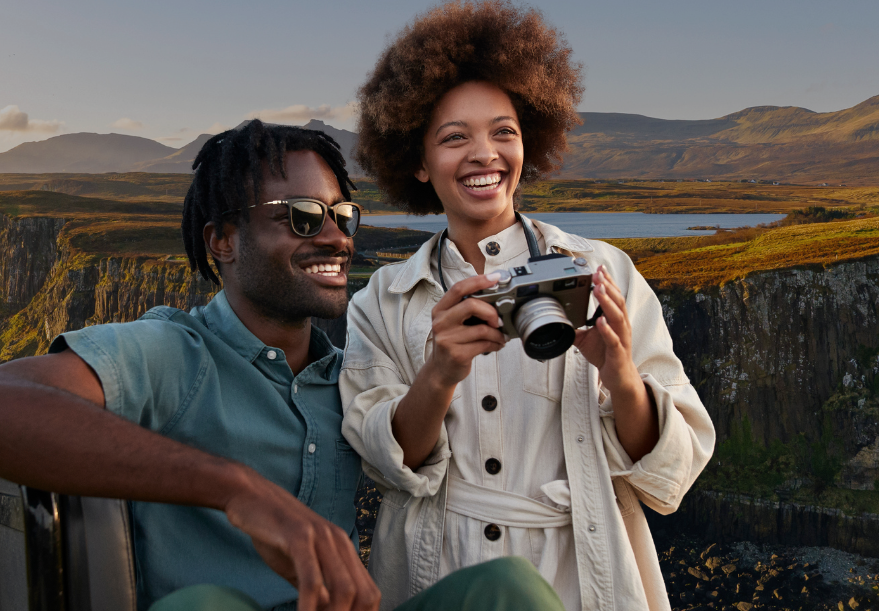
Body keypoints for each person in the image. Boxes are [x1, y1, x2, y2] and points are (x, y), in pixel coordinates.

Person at [0, 121, 562, 611]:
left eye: (343, 216)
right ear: (222, 240)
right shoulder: (172, 352)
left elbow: (415, 452)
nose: (336, 237)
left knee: (509, 588)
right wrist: (238, 490)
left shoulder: (349, 377)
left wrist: (444, 370)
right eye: (301, 217)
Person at [342, 0, 716, 611]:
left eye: (505, 132)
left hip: (578, 572)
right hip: (442, 576)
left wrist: (620, 372)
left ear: (530, 144)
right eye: (454, 137)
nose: (484, 154)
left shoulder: (604, 271)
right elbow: (385, 465)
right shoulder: (383, 299)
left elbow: (673, 465)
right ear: (417, 160)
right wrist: (439, 373)